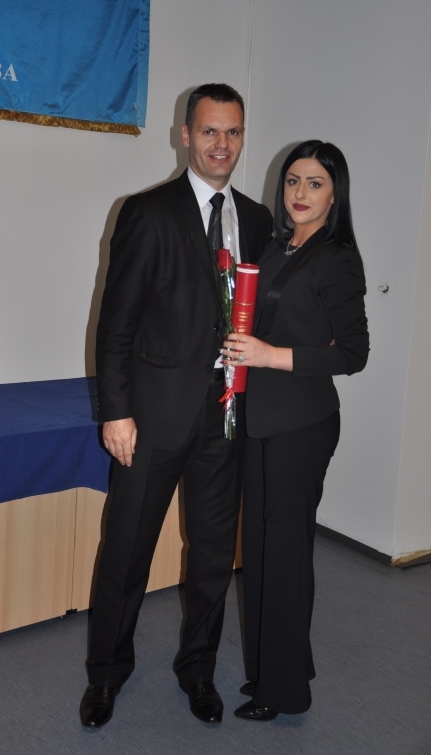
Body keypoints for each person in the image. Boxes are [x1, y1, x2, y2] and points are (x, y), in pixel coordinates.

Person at [79, 84, 272, 728]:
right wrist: (116, 411)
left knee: (214, 555)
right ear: (185, 135)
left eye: (233, 132)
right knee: (126, 550)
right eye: (210, 131)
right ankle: (106, 674)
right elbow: (115, 323)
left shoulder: (258, 221)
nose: (222, 144)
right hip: (153, 419)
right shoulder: (147, 212)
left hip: (227, 417)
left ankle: (198, 670)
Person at [222, 140, 369, 721]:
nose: (300, 193)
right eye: (292, 181)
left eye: (314, 183)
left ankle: (283, 693)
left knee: (283, 555)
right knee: (261, 551)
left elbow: (353, 353)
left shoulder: (337, 257)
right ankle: (277, 668)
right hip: (261, 418)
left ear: (335, 194)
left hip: (302, 424)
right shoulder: (277, 246)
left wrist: (268, 354)